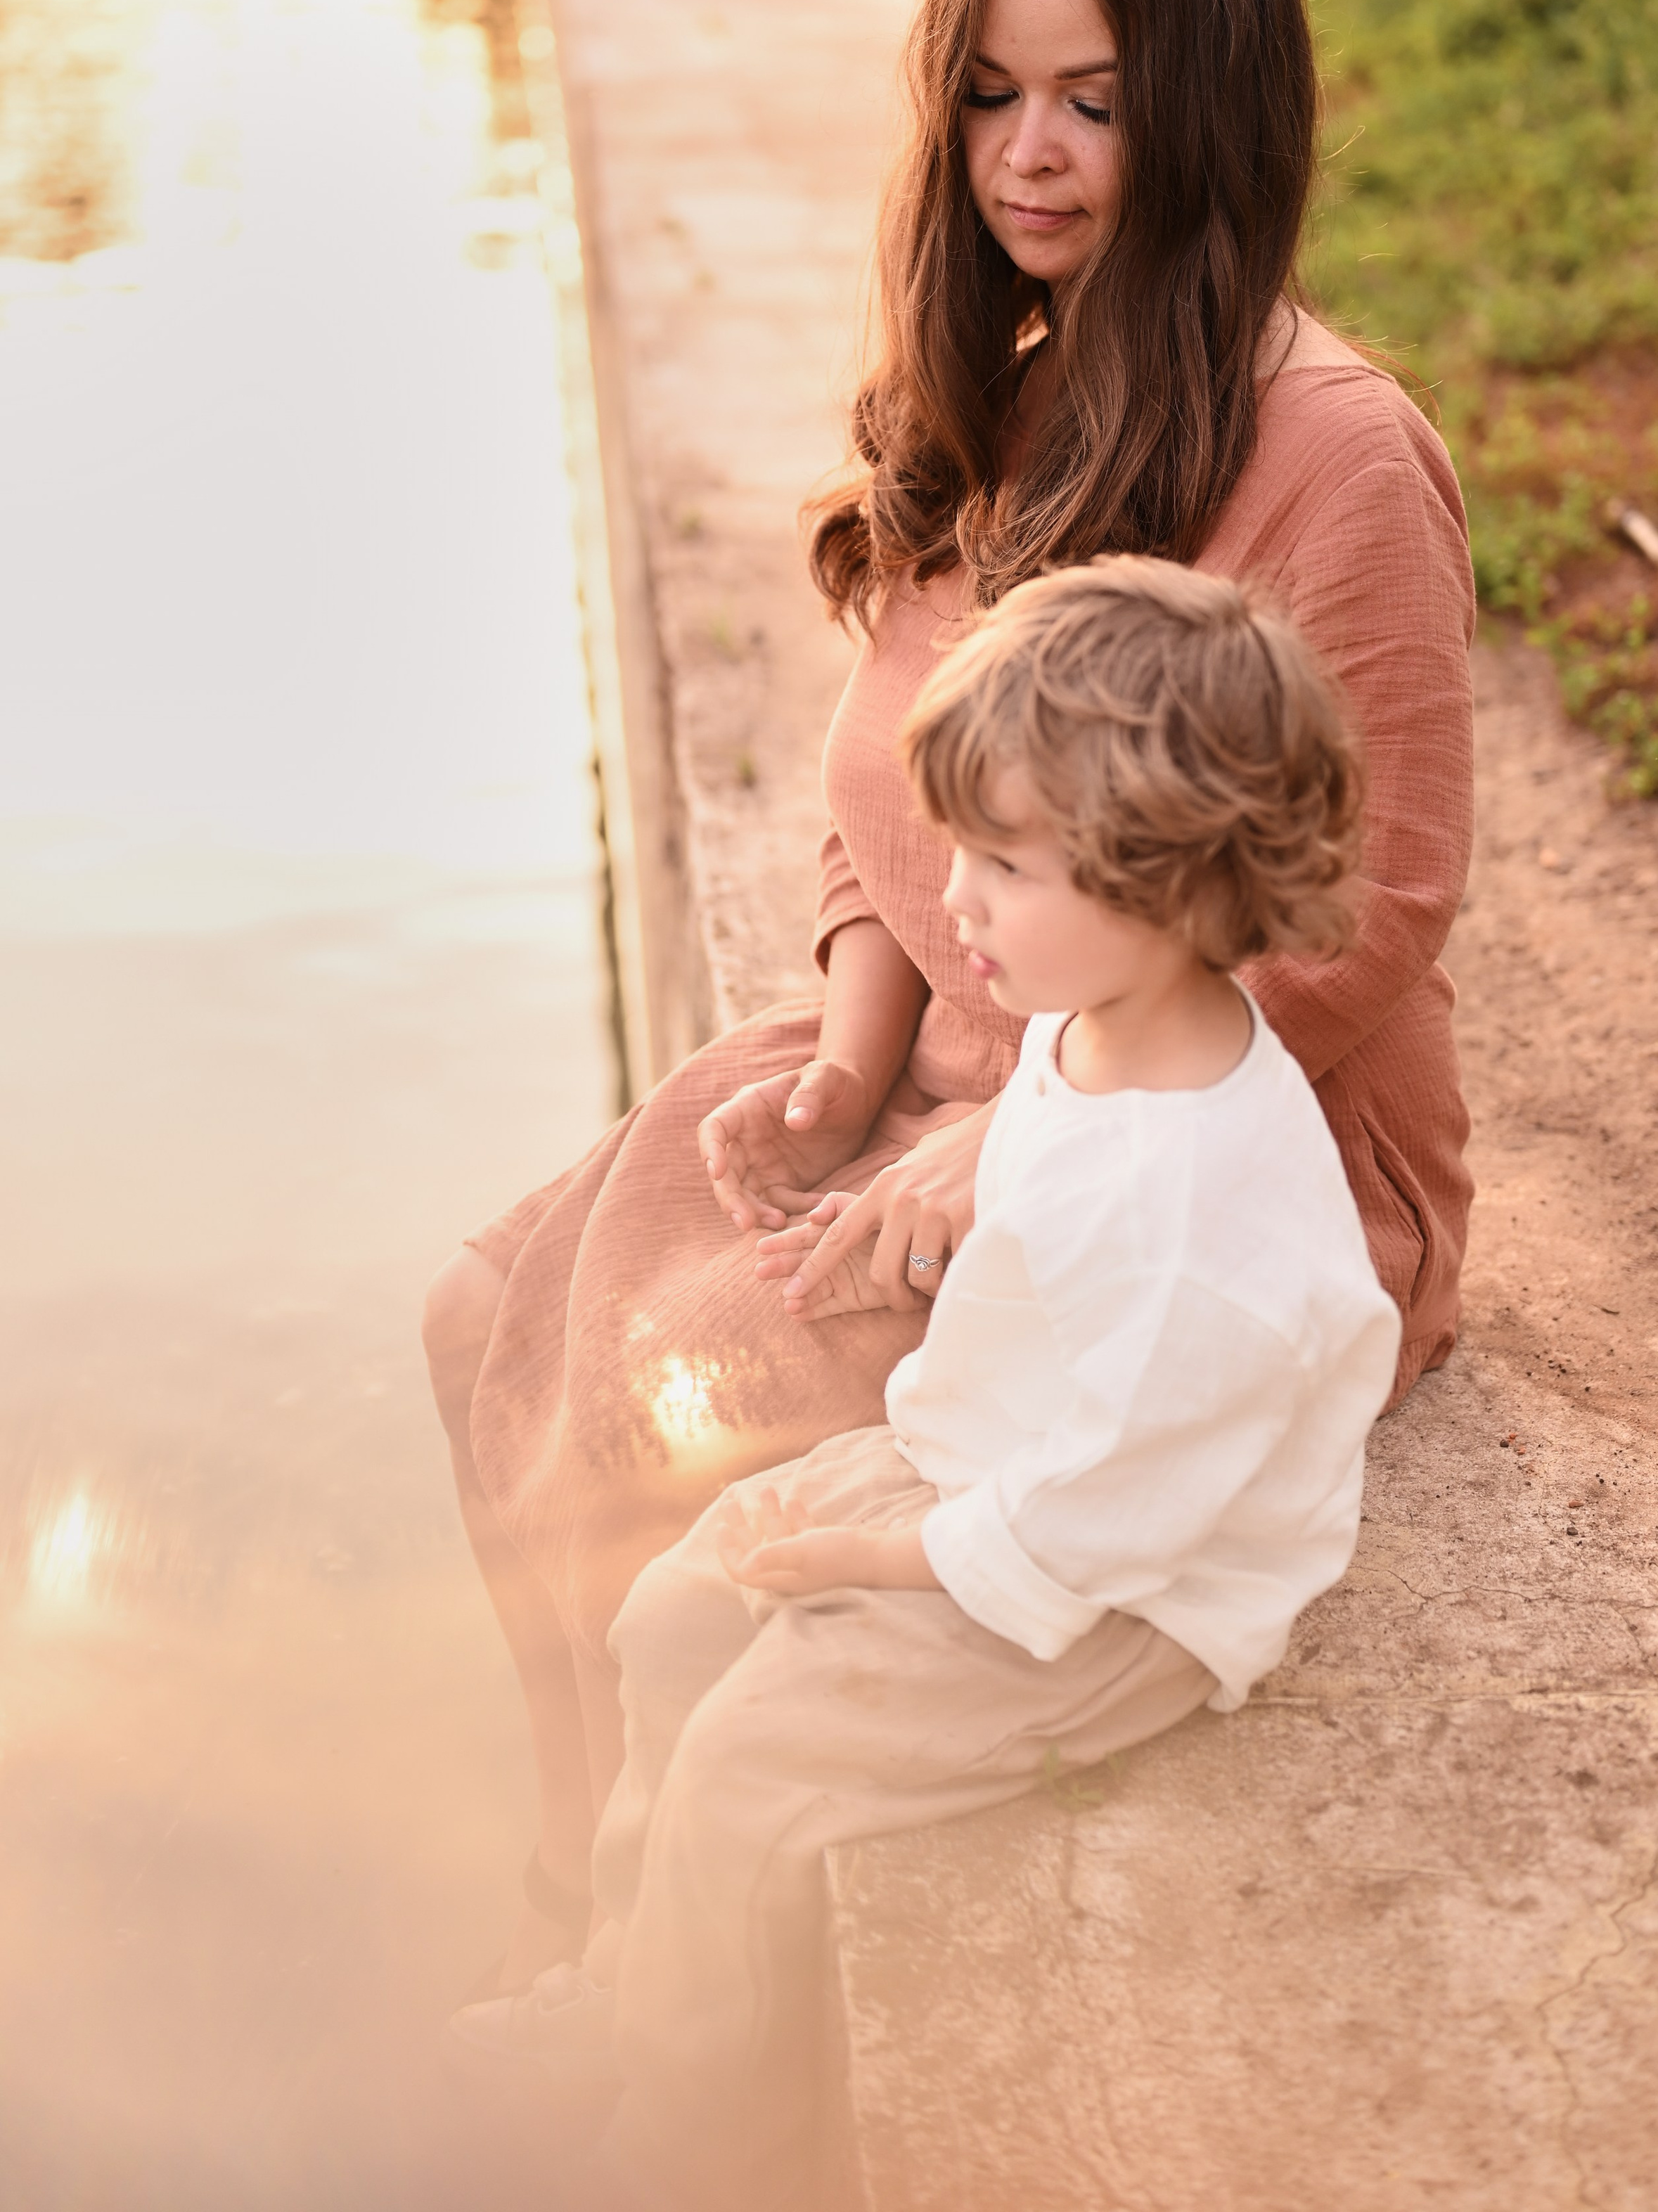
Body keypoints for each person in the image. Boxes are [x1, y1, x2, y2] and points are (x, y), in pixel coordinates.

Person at [421, 0, 1475, 1989]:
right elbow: (889, 812)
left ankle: (622, 1932)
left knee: (669, 1401)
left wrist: (1034, 1118)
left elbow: (1367, 923)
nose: (1036, 156)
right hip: (973, 1047)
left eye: (1097, 100)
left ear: (1214, 105)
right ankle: (563, 1820)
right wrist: (850, 1054)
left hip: (1193, 1126)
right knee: (480, 1325)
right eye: (992, 96)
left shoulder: (1338, 454)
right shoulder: (997, 390)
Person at [449, 559, 1403, 2212]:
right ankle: (619, 1987)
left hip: (1110, 1599)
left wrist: (859, 1559)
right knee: (673, 1613)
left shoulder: (1201, 1223)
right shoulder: (1098, 1014)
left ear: (1168, 882)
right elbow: (1037, 1212)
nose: (950, 900)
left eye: (1001, 865)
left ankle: (686, 2137)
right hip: (981, 1462)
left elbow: (1101, 1521)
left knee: (754, 1775)